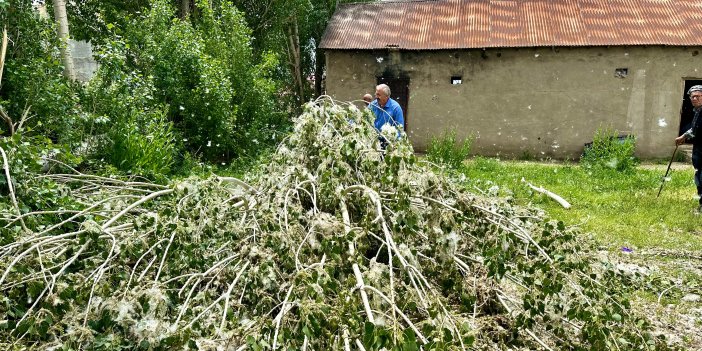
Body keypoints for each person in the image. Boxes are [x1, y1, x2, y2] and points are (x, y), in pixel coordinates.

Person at [675, 85, 702, 212]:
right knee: (699, 174)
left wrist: (684, 136)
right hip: (699, 149)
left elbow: (697, 130)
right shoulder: (697, 110)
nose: (695, 98)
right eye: (693, 96)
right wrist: (684, 136)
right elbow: (695, 128)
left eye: (698, 96)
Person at [369, 84, 404, 148]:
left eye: (378, 95)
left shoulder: (395, 108)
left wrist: (396, 146)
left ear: (386, 96)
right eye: (376, 94)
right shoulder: (372, 105)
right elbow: (365, 119)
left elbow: (399, 129)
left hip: (388, 143)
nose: (376, 97)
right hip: (373, 141)